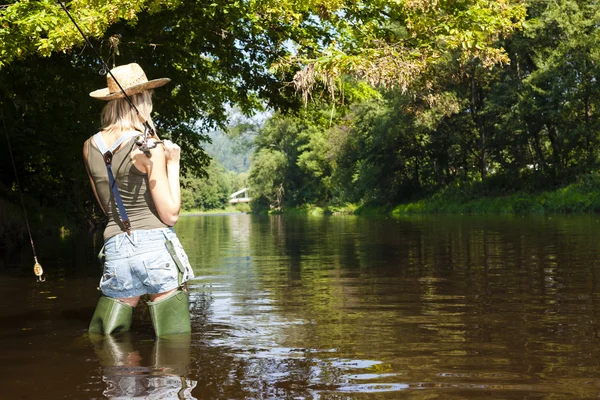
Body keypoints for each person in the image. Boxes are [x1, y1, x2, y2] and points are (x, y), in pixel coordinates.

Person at [83, 63, 194, 337]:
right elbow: (170, 214)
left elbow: (106, 206)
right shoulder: (149, 145)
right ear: (142, 99)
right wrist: (173, 163)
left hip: (115, 247)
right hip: (156, 244)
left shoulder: (88, 147)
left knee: (110, 343)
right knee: (173, 343)